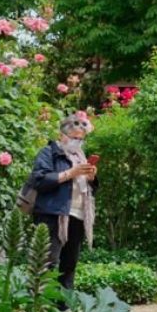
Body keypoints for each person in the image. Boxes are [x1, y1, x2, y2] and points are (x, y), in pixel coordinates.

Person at [29, 113, 98, 298]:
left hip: (78, 216)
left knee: (69, 265)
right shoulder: (49, 152)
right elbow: (40, 180)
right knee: (47, 263)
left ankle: (63, 307)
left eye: (81, 139)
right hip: (53, 214)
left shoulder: (80, 157)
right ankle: (40, 306)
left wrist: (91, 178)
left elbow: (87, 189)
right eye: (74, 138)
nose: (77, 142)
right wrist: (70, 173)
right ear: (62, 135)